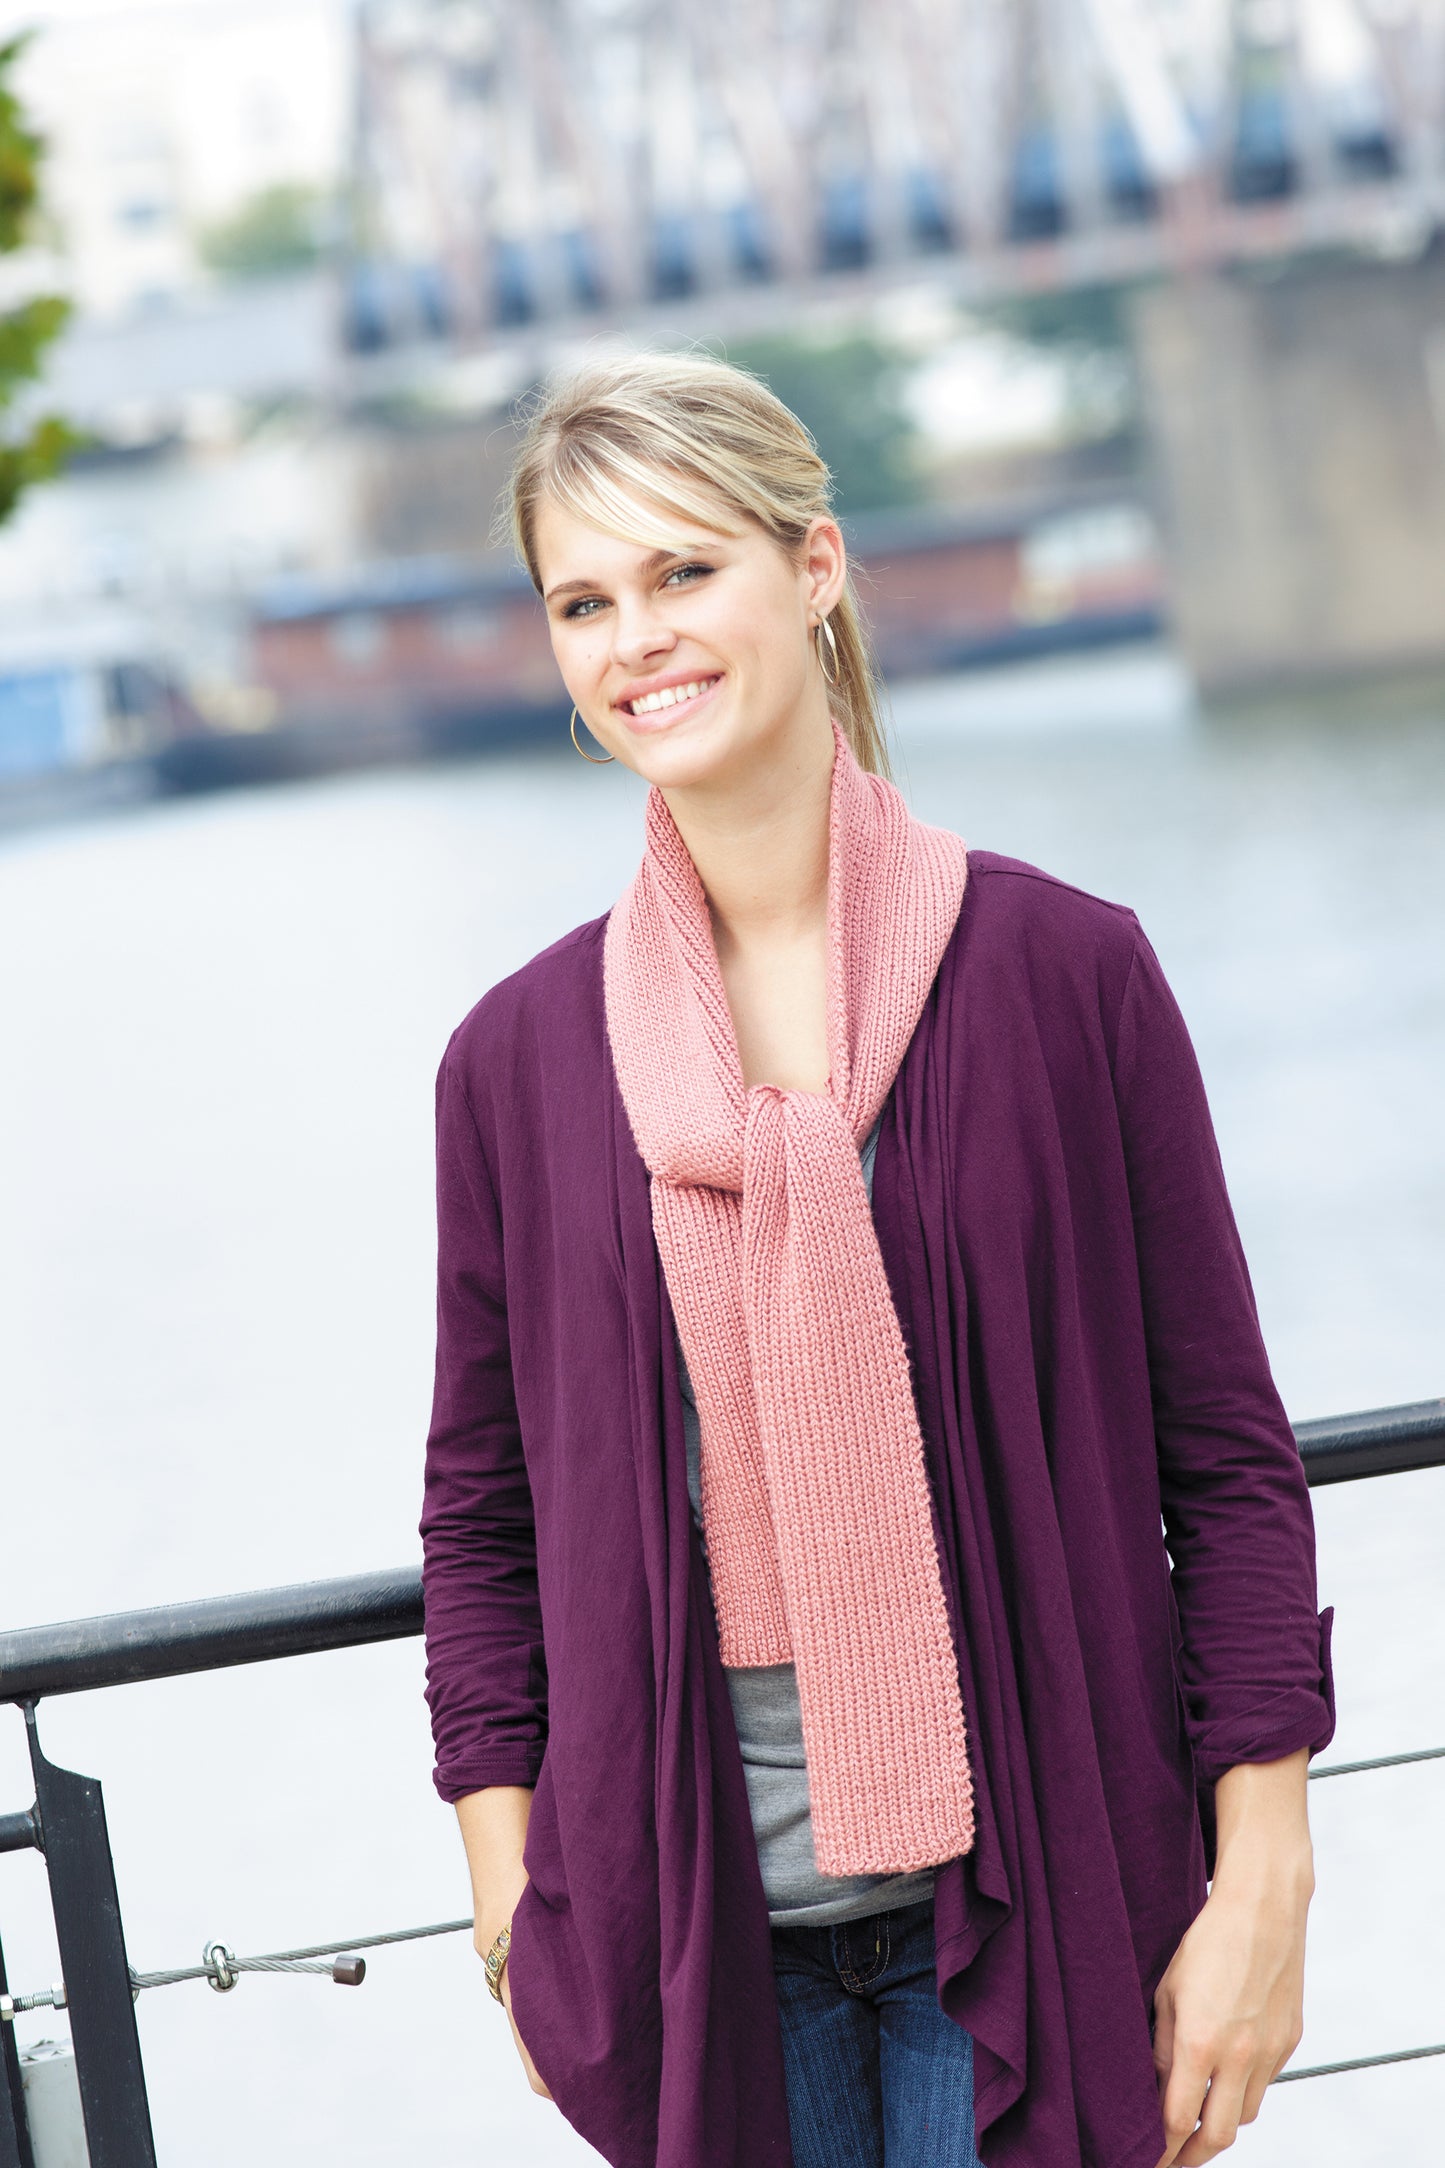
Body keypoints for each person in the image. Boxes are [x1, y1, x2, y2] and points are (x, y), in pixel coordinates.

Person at [418, 350, 1336, 2168]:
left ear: (814, 567)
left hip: (1033, 1901)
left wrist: (1262, 1880)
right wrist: (511, 1888)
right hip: (691, 1946)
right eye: (582, 602)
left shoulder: (1062, 977)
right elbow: (483, 1516)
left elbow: (1223, 1464)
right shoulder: (514, 1063)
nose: (635, 642)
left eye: (685, 573)